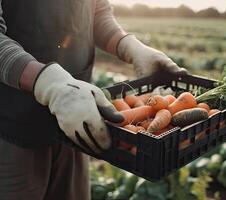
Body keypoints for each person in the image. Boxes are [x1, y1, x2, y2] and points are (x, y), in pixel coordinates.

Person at [0, 0, 187, 199]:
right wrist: (46, 82)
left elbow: (95, 13)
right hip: (12, 127)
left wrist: (129, 46)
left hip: (77, 118)